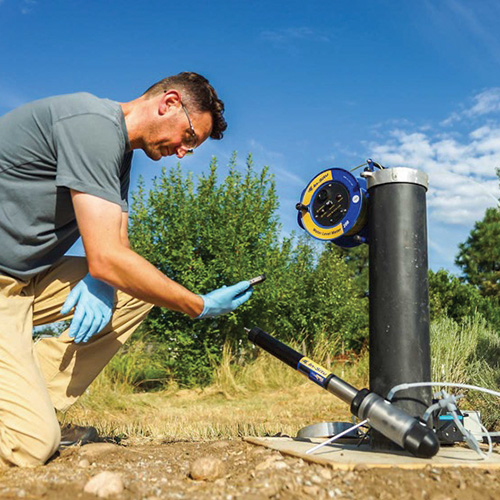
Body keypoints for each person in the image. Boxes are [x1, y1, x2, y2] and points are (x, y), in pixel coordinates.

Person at [0, 72, 253, 467]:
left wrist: (106, 278)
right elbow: (106, 258)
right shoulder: (91, 125)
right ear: (169, 103)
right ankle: (24, 421)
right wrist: (197, 305)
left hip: (24, 278)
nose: (184, 152)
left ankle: (35, 406)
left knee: (133, 290)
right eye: (189, 137)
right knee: (30, 445)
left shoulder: (120, 154)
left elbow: (119, 247)